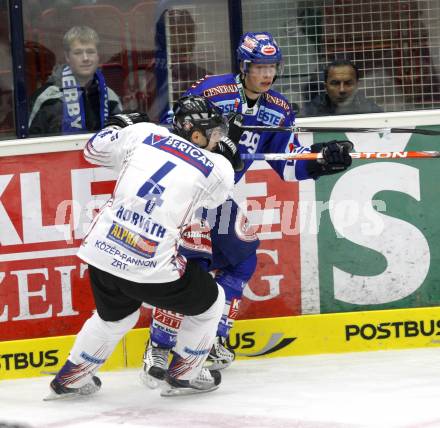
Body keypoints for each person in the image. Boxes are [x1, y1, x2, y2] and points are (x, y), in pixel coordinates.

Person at [142, 32, 354, 386]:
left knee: (242, 259)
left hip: (218, 195)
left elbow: (288, 164)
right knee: (192, 267)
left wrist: (322, 160)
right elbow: (173, 131)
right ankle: (159, 347)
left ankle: (211, 340)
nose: (266, 74)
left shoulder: (279, 109)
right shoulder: (212, 91)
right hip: (185, 190)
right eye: (259, 67)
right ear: (244, 66)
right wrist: (220, 140)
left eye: (271, 67)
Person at [45, 94, 244, 399]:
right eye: (214, 134)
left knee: (115, 318)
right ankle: (183, 375)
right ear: (195, 133)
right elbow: (216, 195)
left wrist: (118, 124)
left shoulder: (144, 134)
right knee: (211, 303)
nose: (217, 140)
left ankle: (69, 379)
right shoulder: (216, 166)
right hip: (148, 266)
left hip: (102, 251)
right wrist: (229, 156)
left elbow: (93, 150)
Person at [28, 26, 122, 135]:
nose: (85, 58)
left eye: (90, 52)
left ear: (98, 56)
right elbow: (30, 144)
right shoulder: (47, 98)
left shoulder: (111, 98)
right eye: (78, 53)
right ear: (67, 57)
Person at [301, 59, 382, 116]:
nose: (342, 90)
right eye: (335, 83)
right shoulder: (311, 113)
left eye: (348, 83)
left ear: (357, 86)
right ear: (326, 87)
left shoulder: (370, 111)